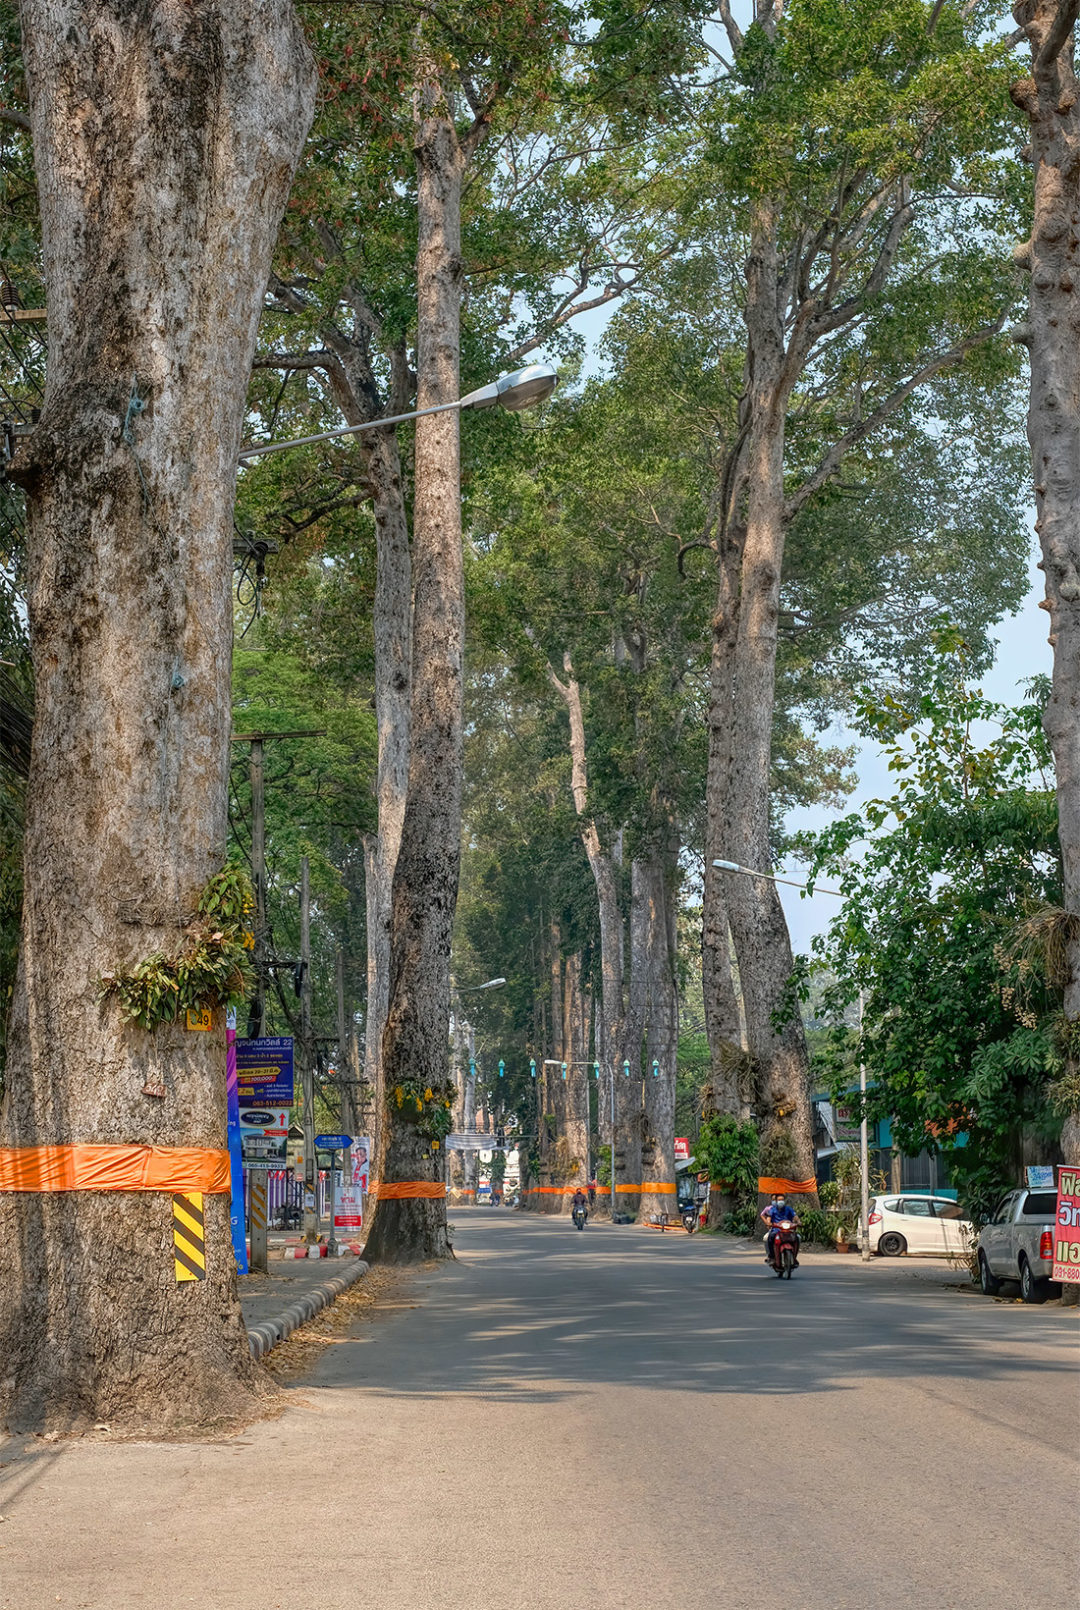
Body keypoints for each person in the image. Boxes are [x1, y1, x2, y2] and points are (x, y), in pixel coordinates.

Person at [761, 1193, 799, 1266]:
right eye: (779, 1200)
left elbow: (795, 1216)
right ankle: (772, 1256)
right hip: (776, 1230)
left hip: (788, 1230)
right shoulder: (772, 1209)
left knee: (797, 1238)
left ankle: (794, 1257)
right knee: (770, 1237)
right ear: (776, 1201)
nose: (780, 1201)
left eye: (782, 1200)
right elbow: (769, 1217)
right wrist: (768, 1223)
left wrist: (799, 1222)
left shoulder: (788, 1209)